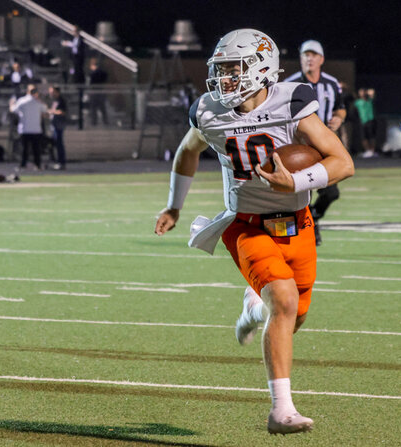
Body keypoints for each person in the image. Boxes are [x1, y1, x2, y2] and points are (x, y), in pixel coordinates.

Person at [154, 29, 354, 435]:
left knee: (292, 316)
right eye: (221, 70)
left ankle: (252, 308)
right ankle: (281, 410)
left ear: (262, 68)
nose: (225, 79)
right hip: (245, 225)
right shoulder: (209, 110)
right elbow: (187, 151)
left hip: (298, 225)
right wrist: (175, 205)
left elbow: (343, 162)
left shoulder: (292, 101)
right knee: (283, 301)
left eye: (234, 69)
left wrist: (296, 183)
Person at [284, 40, 346, 246]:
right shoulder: (290, 84)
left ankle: (314, 218)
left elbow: (340, 107)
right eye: (305, 55)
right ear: (300, 58)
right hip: (300, 148)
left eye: (313, 55)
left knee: (331, 192)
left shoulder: (331, 83)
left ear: (322, 59)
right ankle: (298, 233)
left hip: (324, 147)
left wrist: (339, 118)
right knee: (301, 194)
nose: (309, 58)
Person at [9, 84, 47, 170]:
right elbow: (45, 109)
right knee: (36, 149)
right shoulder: (38, 102)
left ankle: (23, 164)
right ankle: (37, 165)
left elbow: (13, 110)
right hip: (36, 129)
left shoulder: (22, 101)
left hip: (25, 129)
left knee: (24, 149)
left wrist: (11, 104)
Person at [48, 85, 67, 170]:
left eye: (52, 92)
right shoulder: (54, 101)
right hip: (54, 125)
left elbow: (63, 112)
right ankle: (56, 161)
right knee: (54, 144)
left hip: (59, 125)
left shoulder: (61, 100)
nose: (51, 93)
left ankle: (61, 162)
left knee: (59, 144)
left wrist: (52, 111)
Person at [354, 88, 377, 158]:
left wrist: (369, 93)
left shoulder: (370, 100)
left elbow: (372, 94)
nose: (362, 94)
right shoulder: (357, 102)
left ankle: (372, 151)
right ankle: (367, 151)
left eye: (363, 92)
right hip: (362, 121)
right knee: (364, 137)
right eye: (360, 92)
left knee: (371, 136)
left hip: (371, 120)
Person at [87, 57, 109, 126]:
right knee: (101, 108)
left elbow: (90, 83)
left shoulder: (94, 73)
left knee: (95, 108)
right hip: (100, 92)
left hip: (96, 93)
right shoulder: (101, 72)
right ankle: (104, 121)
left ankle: (95, 122)